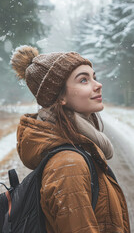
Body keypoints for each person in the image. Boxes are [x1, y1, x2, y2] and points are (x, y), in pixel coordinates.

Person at [10, 45, 130, 233]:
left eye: (94, 77)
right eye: (83, 80)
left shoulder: (79, 148)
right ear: (60, 97)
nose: (98, 85)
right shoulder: (69, 165)